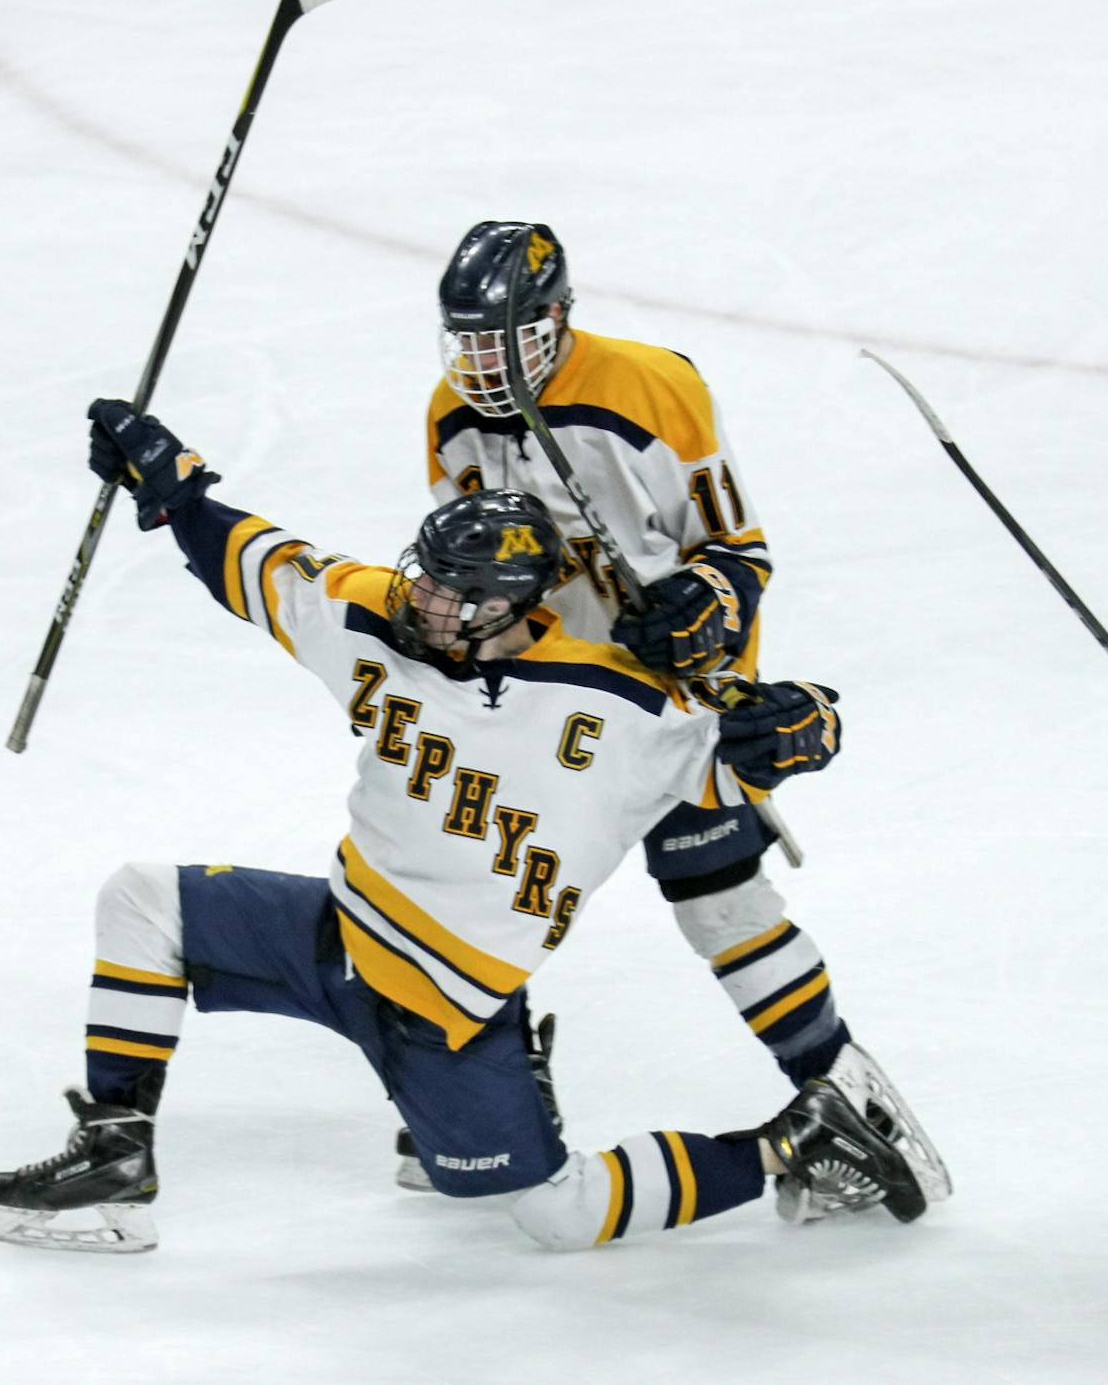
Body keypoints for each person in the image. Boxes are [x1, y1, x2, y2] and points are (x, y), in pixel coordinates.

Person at [0, 400, 929, 1255]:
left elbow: (759, 749)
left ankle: (793, 1140)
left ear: (517, 606)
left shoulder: (625, 710)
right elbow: (261, 566)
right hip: (335, 937)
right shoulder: (381, 620)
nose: (420, 598)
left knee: (554, 1215)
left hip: (450, 1015)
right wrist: (173, 484)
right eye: (424, 577)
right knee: (144, 899)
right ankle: (114, 1161)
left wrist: (807, 719)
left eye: (449, 591)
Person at [406, 219, 950, 1219]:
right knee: (487, 883)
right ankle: (480, 1083)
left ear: (557, 319)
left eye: (505, 341)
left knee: (721, 902)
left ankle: (846, 1096)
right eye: (468, 343)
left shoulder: (654, 387)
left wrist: (708, 606)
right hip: (547, 698)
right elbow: (459, 568)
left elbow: (737, 549)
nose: (483, 365)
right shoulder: (451, 415)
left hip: (664, 705)